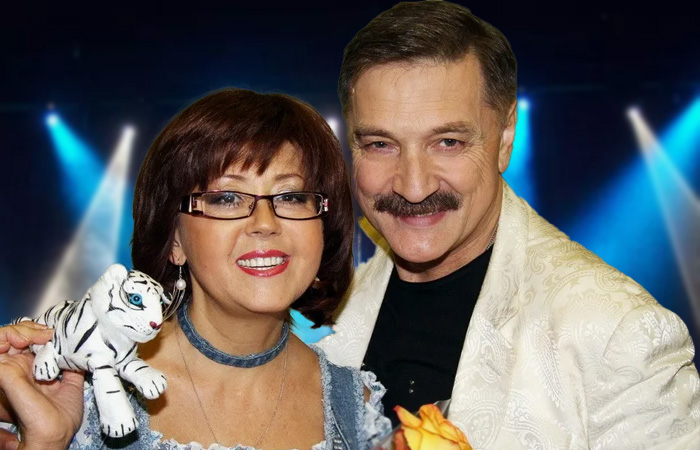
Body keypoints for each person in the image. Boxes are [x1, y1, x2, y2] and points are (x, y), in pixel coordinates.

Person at [317, 1, 700, 448]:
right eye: (381, 145)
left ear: (505, 138)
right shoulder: (324, 305)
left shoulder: (619, 332)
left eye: (448, 142)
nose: (414, 186)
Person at [0, 88, 390, 450]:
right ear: (174, 241)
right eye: (227, 198)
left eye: (291, 196)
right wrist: (46, 443)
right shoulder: (74, 385)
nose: (265, 223)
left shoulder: (357, 412)